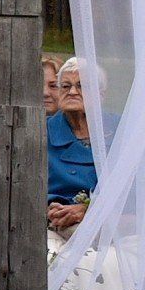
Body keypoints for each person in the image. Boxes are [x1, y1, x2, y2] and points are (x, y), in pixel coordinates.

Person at [45, 58, 99, 249]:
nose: (73, 92)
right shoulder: (42, 132)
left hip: (108, 222)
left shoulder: (119, 131)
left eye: (81, 86)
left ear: (101, 95)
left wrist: (89, 210)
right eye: (65, 86)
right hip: (57, 223)